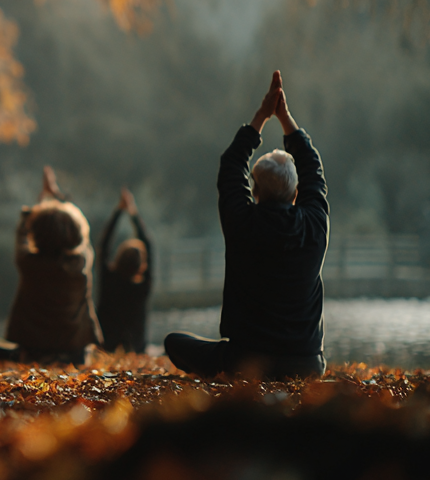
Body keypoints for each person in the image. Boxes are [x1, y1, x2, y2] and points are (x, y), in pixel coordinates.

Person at [164, 71, 329, 380]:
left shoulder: (242, 222)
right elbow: (312, 168)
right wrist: (285, 118)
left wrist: (262, 116)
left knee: (174, 342)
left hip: (246, 360)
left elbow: (231, 164)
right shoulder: (314, 227)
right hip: (306, 364)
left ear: (254, 192)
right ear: (296, 194)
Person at [0, 167, 103, 365]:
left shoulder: (29, 264)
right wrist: (58, 196)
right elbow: (82, 229)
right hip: (75, 356)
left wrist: (36, 205)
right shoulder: (80, 266)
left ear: (37, 233)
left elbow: (22, 234)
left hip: (33, 355)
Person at [95, 188, 154, 352]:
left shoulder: (108, 280)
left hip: (107, 346)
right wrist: (134, 214)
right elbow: (148, 246)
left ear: (118, 258)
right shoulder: (142, 287)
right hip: (136, 347)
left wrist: (118, 212)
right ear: (142, 266)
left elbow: (104, 246)